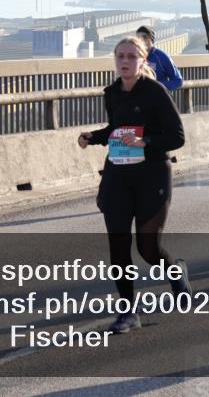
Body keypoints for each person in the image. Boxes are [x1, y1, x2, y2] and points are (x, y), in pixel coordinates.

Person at [78, 36, 189, 333]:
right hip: (118, 175)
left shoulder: (155, 92)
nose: (125, 61)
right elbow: (117, 129)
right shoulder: (112, 93)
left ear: (142, 61)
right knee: (118, 244)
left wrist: (146, 141)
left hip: (152, 175)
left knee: (148, 249)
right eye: (120, 56)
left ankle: (174, 271)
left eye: (131, 56)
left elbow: (177, 137)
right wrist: (93, 137)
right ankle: (128, 312)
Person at [135, 25, 183, 91]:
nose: (141, 40)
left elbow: (178, 81)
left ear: (151, 39)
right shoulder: (133, 57)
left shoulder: (162, 57)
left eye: (145, 37)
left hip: (158, 96)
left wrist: (156, 85)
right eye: (138, 38)